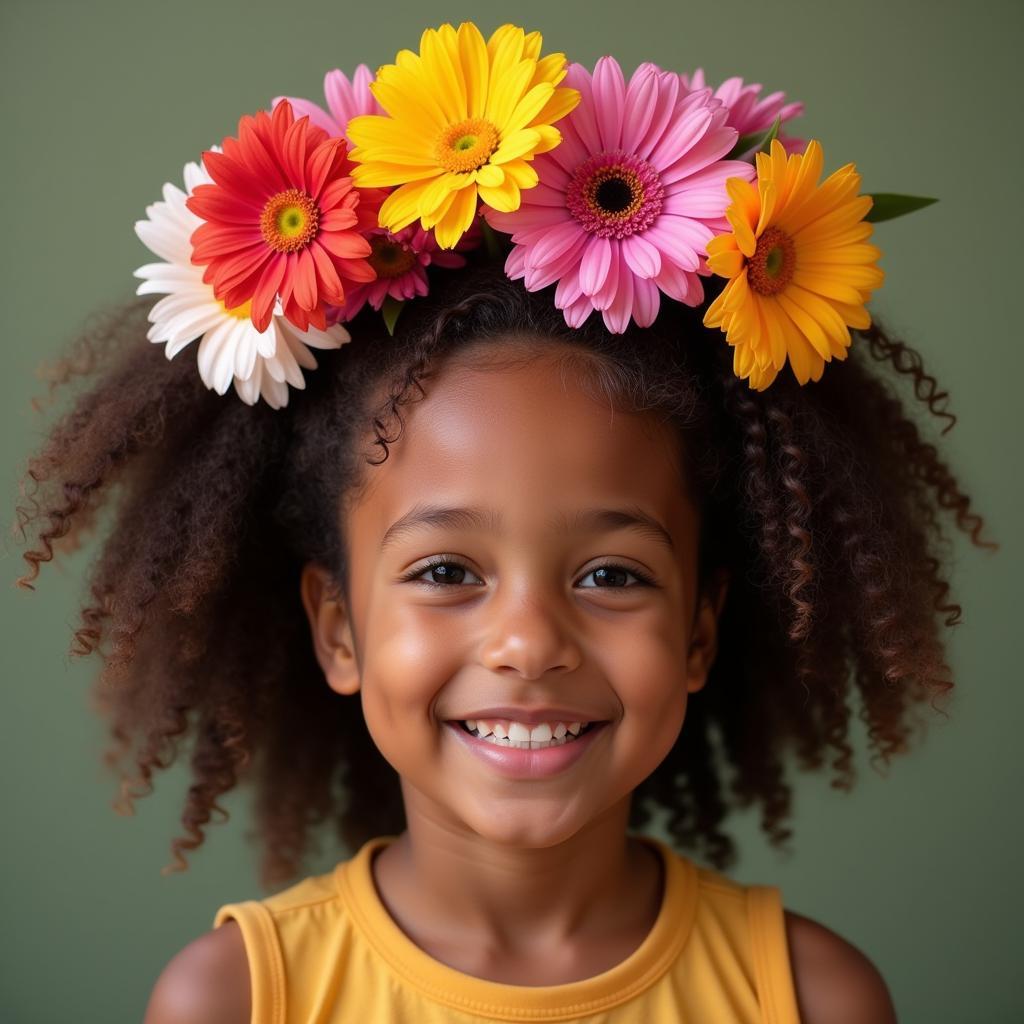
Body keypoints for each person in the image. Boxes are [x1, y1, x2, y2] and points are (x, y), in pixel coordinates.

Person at [13, 21, 992, 1024]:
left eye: (612, 574)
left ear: (699, 629)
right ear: (338, 627)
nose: (527, 642)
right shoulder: (231, 1000)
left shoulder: (812, 1000)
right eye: (445, 571)